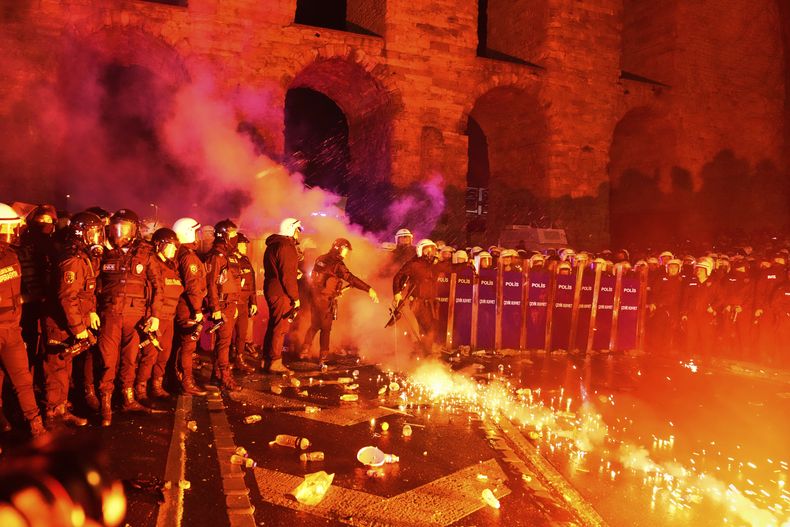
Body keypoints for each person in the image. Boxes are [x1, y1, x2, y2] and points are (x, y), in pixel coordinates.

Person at [96, 209, 163, 426]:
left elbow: (157, 287)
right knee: (108, 360)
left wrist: (155, 315)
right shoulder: (103, 253)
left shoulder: (145, 253)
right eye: (116, 228)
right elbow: (92, 284)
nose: (119, 233)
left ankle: (128, 399)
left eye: (124, 228)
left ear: (134, 230)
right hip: (110, 314)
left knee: (130, 359)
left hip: (135, 316)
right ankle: (105, 405)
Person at [42, 212, 104, 428]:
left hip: (68, 322)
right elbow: (67, 298)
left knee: (64, 368)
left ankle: (60, 405)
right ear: (81, 233)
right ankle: (53, 412)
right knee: (56, 368)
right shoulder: (72, 260)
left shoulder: (82, 257)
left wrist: (91, 312)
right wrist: (78, 328)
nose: (97, 238)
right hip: (60, 323)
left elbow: (86, 292)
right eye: (93, 233)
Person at [0, 203, 46, 437]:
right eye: (8, 229)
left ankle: (35, 424)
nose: (13, 234)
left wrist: (31, 298)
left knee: (23, 379)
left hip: (12, 328)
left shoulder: (11, 255)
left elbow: (14, 293)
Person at [302, 238, 378, 364]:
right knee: (326, 329)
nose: (347, 253)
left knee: (314, 325)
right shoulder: (337, 264)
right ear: (341, 248)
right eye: (346, 250)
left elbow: (319, 279)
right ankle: (323, 358)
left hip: (314, 298)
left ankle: (304, 350)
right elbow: (351, 278)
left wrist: (335, 291)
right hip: (326, 300)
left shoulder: (321, 258)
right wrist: (368, 289)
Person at [135, 228, 183, 400]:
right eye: (171, 245)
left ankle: (157, 385)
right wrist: (151, 316)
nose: (174, 249)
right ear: (159, 245)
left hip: (169, 316)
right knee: (150, 354)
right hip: (156, 316)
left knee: (164, 354)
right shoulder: (153, 264)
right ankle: (141, 389)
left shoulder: (171, 266)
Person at [17, 204, 58, 376]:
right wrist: (34, 295)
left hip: (49, 302)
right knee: (29, 340)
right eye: (42, 220)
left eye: (49, 220)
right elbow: (26, 272)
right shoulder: (25, 244)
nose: (45, 223)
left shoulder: (54, 244)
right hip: (30, 303)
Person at [204, 219, 243, 392]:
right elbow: (211, 284)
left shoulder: (228, 255)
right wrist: (215, 308)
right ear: (224, 235)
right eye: (232, 234)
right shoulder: (216, 256)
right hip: (222, 304)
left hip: (230, 302)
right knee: (224, 343)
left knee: (223, 342)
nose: (235, 237)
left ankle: (217, 375)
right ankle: (225, 378)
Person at [171, 217, 208, 396]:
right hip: (187, 308)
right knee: (187, 346)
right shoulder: (188, 256)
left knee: (179, 345)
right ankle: (187, 382)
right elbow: (193, 286)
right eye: (195, 231)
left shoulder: (178, 253)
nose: (198, 236)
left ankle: (176, 379)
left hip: (181, 305)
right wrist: (197, 309)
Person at [262, 218, 302, 373]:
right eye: (297, 229)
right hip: (281, 292)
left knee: (274, 325)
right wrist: (295, 298)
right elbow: (287, 277)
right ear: (290, 229)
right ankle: (275, 362)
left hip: (273, 289)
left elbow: (280, 270)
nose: (298, 233)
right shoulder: (286, 246)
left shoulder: (274, 245)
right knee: (280, 327)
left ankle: (266, 359)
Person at [392, 238, 438, 356]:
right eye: (427, 250)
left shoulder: (430, 265)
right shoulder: (413, 264)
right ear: (420, 250)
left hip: (429, 302)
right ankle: (426, 354)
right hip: (418, 302)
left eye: (432, 250)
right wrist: (397, 293)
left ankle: (423, 352)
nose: (430, 253)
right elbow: (398, 277)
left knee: (429, 329)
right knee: (428, 328)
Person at [231, 232, 257, 374]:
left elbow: (252, 283)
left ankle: (239, 359)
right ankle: (227, 360)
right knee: (228, 334)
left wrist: (253, 302)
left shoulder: (246, 260)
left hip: (244, 303)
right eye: (243, 245)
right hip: (233, 303)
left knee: (242, 333)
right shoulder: (230, 260)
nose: (245, 247)